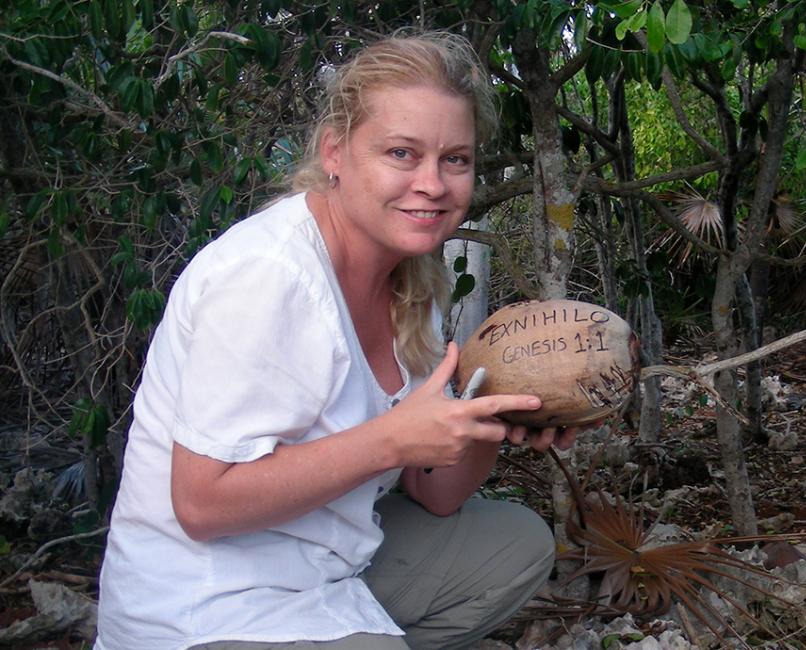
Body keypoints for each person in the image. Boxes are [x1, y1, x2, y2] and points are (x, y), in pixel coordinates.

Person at [95, 31, 580, 650]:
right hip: (207, 604)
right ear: (335, 152)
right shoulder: (269, 276)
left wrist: (498, 419)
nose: (432, 183)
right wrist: (390, 440)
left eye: (455, 159)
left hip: (326, 566)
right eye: (401, 154)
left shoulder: (412, 282)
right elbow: (201, 503)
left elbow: (435, 492)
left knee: (514, 546)